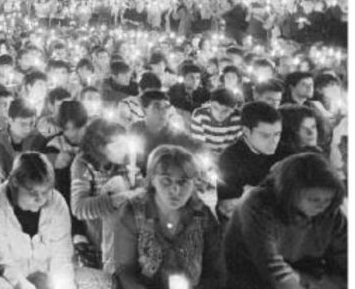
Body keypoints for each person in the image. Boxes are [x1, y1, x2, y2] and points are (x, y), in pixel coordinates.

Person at [0, 152, 107, 289]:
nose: (40, 199)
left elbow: (62, 257)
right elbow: (2, 263)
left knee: (104, 282)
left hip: (48, 276)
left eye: (46, 192)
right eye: (33, 193)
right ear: (15, 182)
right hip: (10, 280)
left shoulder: (57, 202)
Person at [224, 153, 346, 289]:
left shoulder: (330, 213)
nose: (322, 206)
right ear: (291, 192)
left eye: (327, 200)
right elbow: (274, 271)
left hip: (310, 278)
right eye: (314, 200)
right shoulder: (258, 205)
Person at [111, 145, 224, 289]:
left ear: (194, 183)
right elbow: (125, 270)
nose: (175, 190)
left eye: (183, 182)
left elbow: (215, 270)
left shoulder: (203, 216)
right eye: (166, 181)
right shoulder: (132, 212)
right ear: (152, 180)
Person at [71, 120, 143, 272]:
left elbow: (142, 191)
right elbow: (79, 207)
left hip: (127, 236)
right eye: (117, 146)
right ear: (100, 148)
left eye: (125, 144)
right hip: (98, 238)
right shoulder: (83, 164)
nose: (124, 150)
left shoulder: (128, 162)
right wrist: (118, 198)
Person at [217, 101, 288, 221]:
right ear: (246, 131)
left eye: (277, 134)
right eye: (265, 136)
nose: (274, 141)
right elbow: (227, 206)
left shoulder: (285, 152)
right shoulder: (229, 158)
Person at [0, 98, 44, 178]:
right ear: (10, 120)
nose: (28, 128)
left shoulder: (38, 138)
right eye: (23, 124)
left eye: (32, 123)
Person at [189, 88, 242, 156]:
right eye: (215, 108)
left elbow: (240, 145)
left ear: (233, 109)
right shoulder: (199, 115)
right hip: (207, 156)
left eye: (225, 111)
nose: (219, 114)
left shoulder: (239, 118)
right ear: (210, 103)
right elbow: (198, 143)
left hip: (229, 157)